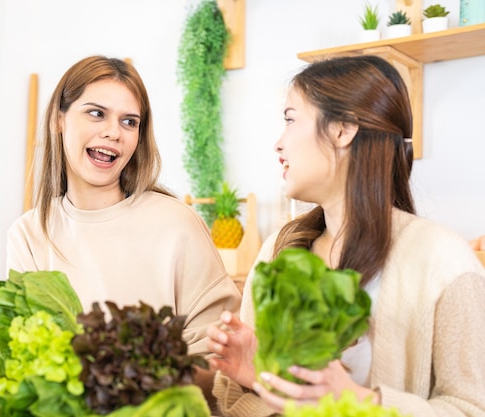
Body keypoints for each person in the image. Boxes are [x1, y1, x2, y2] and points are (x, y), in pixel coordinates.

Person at [206, 55, 485, 417]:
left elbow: (472, 407)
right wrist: (256, 378)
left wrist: (357, 401)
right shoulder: (279, 248)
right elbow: (240, 399)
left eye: (291, 120)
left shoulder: (444, 261)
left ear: (342, 130)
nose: (279, 143)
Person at [6, 55, 241, 406]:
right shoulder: (29, 234)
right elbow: (24, 355)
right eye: (96, 113)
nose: (113, 132)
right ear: (59, 118)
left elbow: (220, 362)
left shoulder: (177, 223)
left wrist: (135, 388)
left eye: (129, 122)